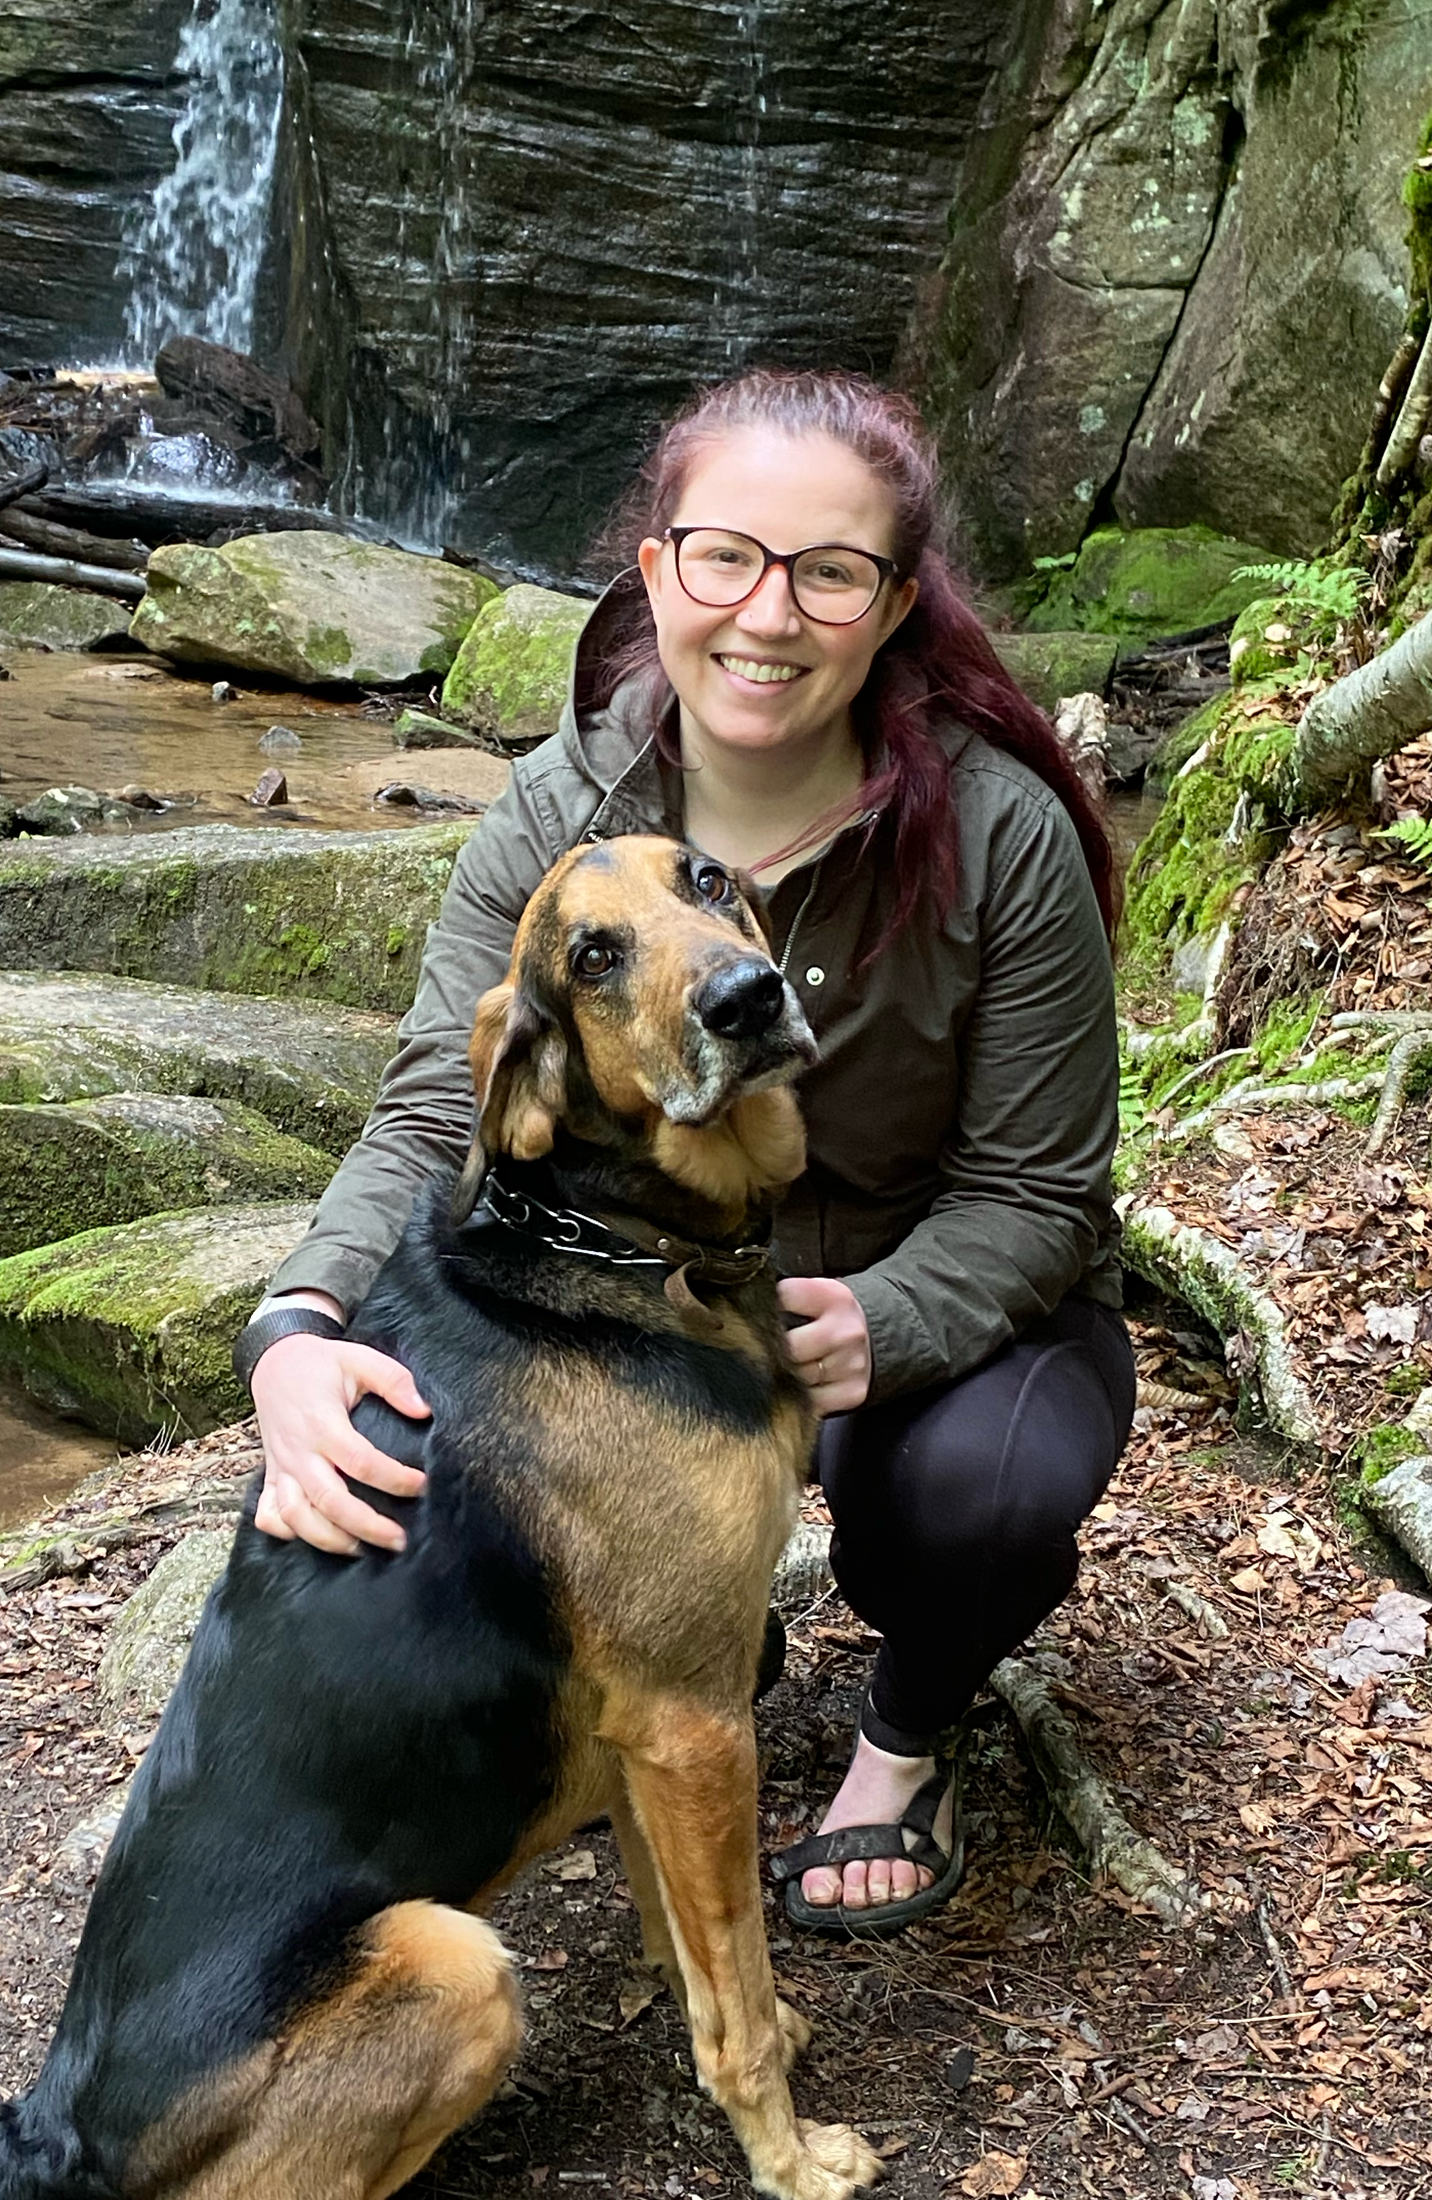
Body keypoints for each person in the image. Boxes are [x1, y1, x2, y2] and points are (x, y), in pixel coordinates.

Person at [231, 369, 1134, 1937]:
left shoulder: (998, 832)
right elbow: (442, 1110)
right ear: (654, 568)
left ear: (892, 603)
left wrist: (891, 1318)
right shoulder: (561, 803)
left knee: (980, 1496)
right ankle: (667, 1647)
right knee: (418, 1413)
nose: (767, 616)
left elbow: (1036, 1186)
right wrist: (296, 1326)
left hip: (924, 1314)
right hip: (655, 1307)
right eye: (724, 556)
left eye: (828, 572)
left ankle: (903, 1742)